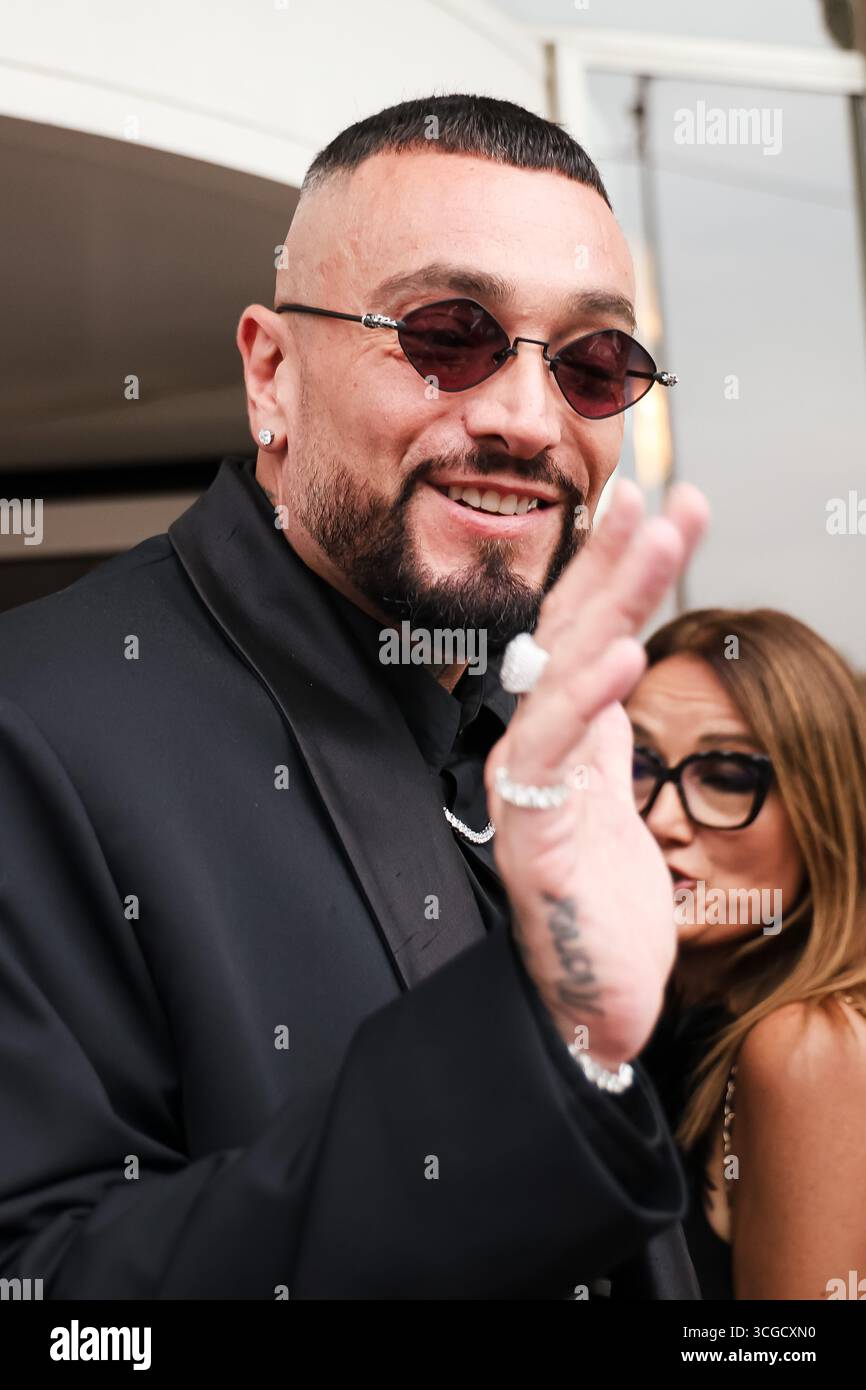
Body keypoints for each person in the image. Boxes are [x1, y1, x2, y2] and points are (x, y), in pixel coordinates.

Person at [0, 94, 709, 1299]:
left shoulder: (556, 751)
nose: (527, 420)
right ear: (270, 374)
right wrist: (531, 1051)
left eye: (593, 365)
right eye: (447, 334)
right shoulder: (35, 731)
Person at [629, 608, 866, 1300]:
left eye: (728, 776)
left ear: (825, 808)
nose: (663, 819)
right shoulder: (657, 1018)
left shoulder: (809, 1045)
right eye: (637, 764)